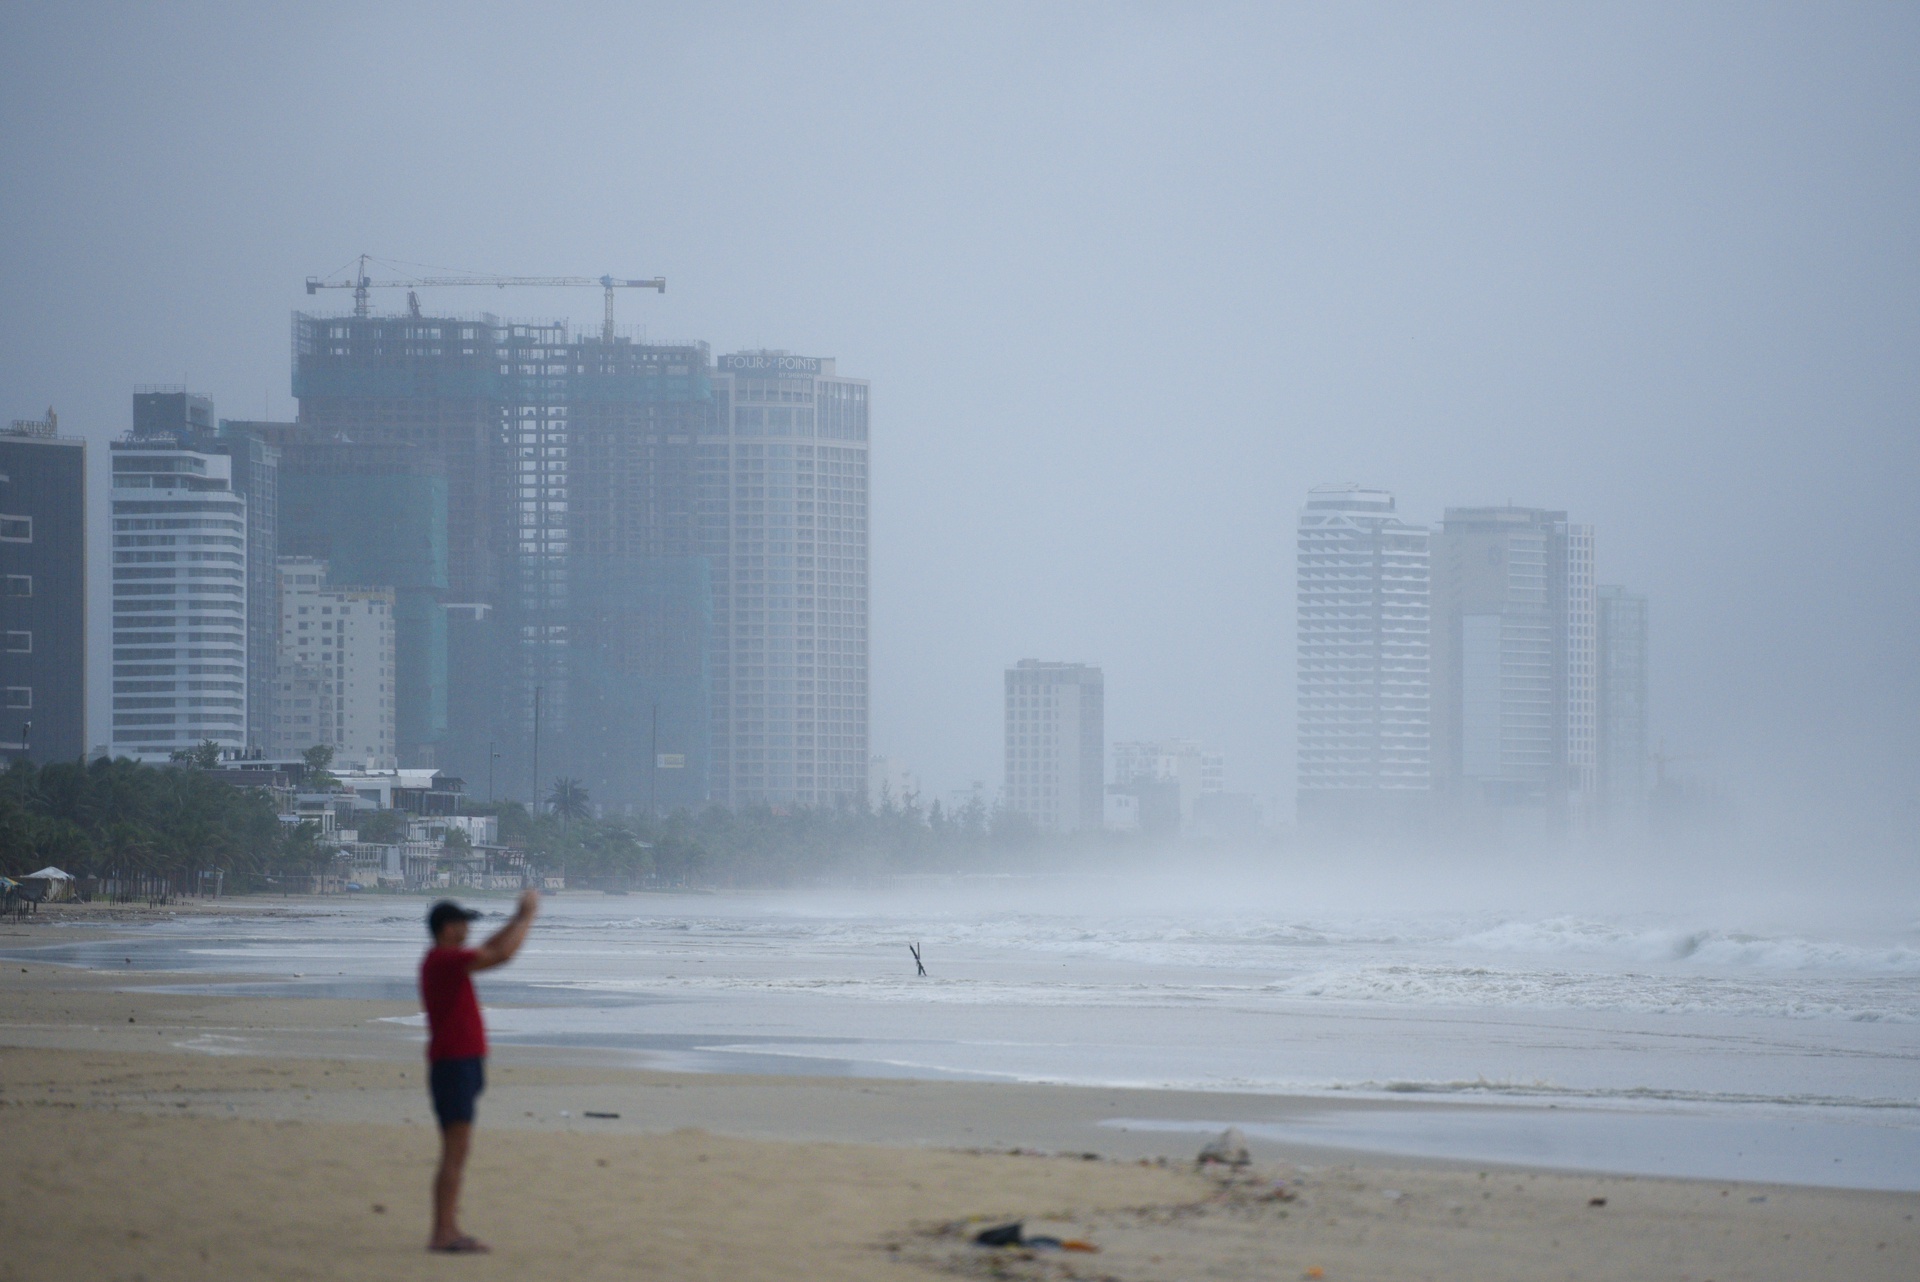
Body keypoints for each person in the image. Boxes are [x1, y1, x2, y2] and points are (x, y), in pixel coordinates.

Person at [419, 888, 538, 1253]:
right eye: (462, 924)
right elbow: (501, 955)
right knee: (455, 1152)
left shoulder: (446, 960)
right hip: (454, 1064)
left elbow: (488, 947)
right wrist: (527, 917)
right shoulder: (443, 961)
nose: (468, 930)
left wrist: (516, 919)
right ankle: (444, 1232)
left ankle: (447, 1228)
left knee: (456, 1151)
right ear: (448, 927)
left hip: (459, 1063)